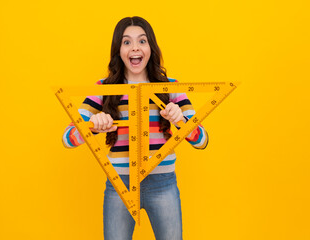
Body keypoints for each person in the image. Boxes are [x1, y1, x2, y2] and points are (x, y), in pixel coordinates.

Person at [62, 16, 209, 240]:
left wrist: (181, 121)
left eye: (142, 41)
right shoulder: (103, 89)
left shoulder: (171, 87)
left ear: (151, 46)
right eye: (126, 42)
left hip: (164, 185)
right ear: (118, 50)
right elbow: (67, 138)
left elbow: (202, 140)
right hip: (119, 185)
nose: (135, 48)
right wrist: (92, 126)